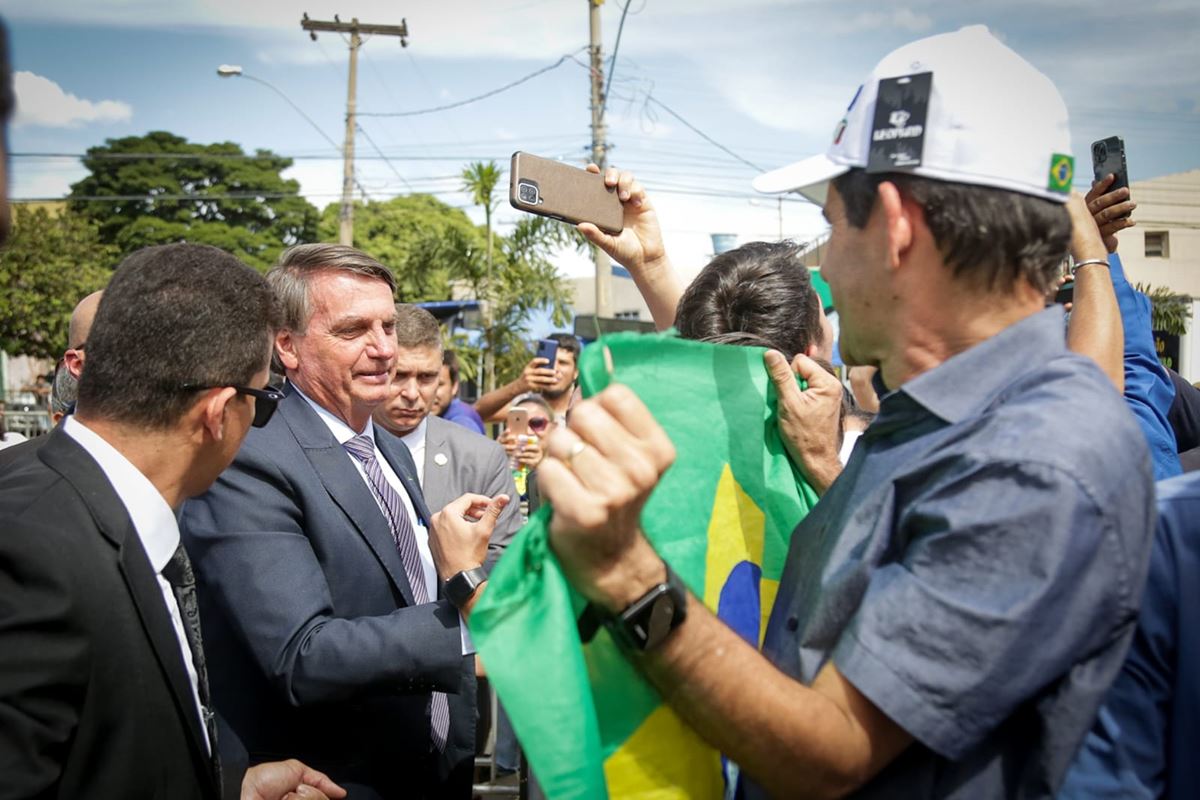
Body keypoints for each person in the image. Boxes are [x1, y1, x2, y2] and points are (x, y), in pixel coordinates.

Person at [531, 26, 1154, 798]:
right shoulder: (959, 409)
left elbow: (829, 753)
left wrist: (628, 576)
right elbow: (756, 367)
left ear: (893, 225)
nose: (822, 261)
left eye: (830, 225)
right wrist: (659, 268)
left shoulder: (1033, 460)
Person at [0, 243, 344, 800]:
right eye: (265, 399)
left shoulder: (93, 512)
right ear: (218, 412)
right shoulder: (29, 554)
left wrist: (227, 787)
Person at [181, 243, 507, 800]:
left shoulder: (384, 445)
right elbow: (301, 653)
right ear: (287, 345)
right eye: (354, 330)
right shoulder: (253, 455)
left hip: (435, 770)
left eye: (388, 326)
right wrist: (479, 627)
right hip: (332, 781)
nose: (383, 349)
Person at [373, 303, 521, 573]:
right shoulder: (339, 444)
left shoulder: (482, 458)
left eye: (427, 378)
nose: (412, 393)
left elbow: (507, 559)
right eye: (399, 376)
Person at [474, 333, 581, 424]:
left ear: (576, 372)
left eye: (563, 363)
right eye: (550, 362)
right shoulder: (524, 405)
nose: (554, 369)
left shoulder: (583, 412)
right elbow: (475, 413)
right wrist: (519, 386)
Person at [433, 348, 486, 434]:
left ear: (454, 386)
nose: (431, 392)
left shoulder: (461, 422)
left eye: (439, 385)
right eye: (425, 383)